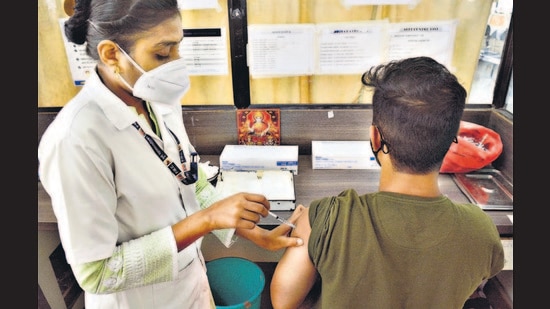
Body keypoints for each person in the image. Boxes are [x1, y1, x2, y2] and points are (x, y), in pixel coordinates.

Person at [38, 0, 303, 308]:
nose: (176, 63)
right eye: (162, 53)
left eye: (178, 48)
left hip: (190, 286)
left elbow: (190, 178)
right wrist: (206, 220)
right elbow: (97, 274)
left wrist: (250, 230)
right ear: (112, 55)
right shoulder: (76, 140)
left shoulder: (156, 99)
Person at [270, 56, 505, 309]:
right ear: (450, 142)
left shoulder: (328, 217)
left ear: (375, 137)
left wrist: (310, 224)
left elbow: (283, 302)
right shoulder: (481, 230)